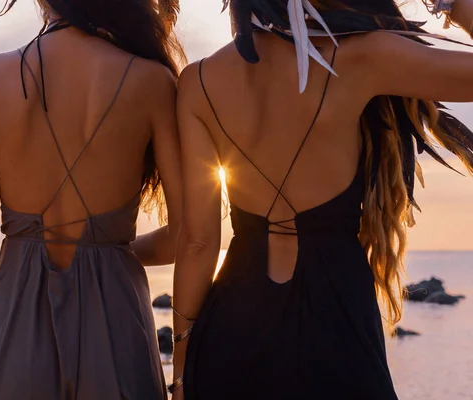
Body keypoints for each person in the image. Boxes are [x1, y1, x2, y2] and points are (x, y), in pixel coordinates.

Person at [172, 0, 473, 398]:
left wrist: (180, 371)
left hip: (233, 322)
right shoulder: (359, 57)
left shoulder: (197, 81)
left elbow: (198, 243)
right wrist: (451, 5)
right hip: (337, 322)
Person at [0, 0, 186, 399]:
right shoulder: (153, 80)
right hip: (118, 322)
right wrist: (113, 252)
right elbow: (188, 235)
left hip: (14, 323)